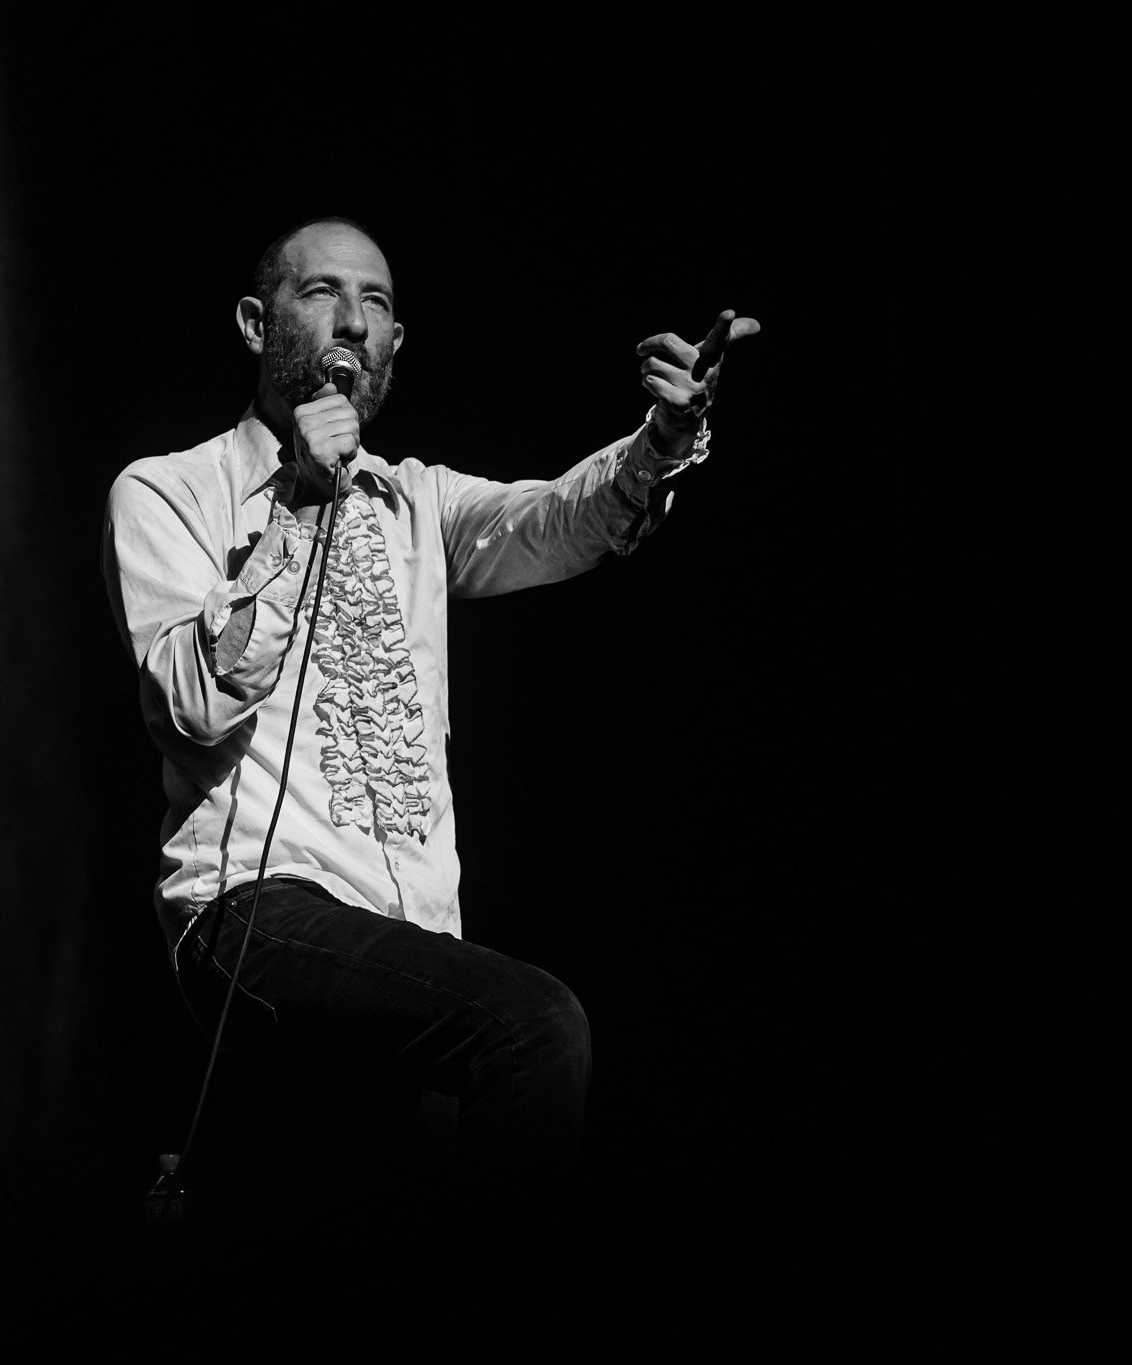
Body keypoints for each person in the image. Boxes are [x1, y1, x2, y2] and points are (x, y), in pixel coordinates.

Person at [101, 216, 758, 1297]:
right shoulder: (167, 490)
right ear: (255, 323)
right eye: (321, 293)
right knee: (532, 1024)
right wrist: (297, 514)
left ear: (395, 344)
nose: (351, 321)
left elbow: (557, 519)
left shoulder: (416, 504)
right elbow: (190, 706)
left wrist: (660, 438)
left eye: (375, 303)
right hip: (253, 909)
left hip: (403, 942)